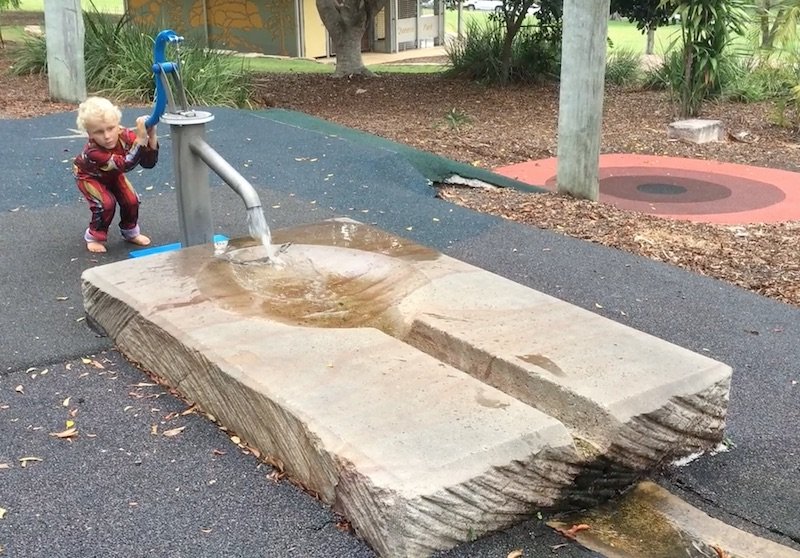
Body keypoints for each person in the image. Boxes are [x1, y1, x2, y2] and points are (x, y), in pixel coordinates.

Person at [73, 96, 158, 253]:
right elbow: (125, 164)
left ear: (118, 125)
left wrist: (151, 137)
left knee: (131, 200)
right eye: (98, 132)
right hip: (89, 176)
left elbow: (148, 163)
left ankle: (130, 231)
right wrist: (140, 139)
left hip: (112, 173)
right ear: (89, 133)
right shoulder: (93, 151)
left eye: (111, 128)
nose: (106, 136)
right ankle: (94, 236)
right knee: (105, 204)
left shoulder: (124, 136)